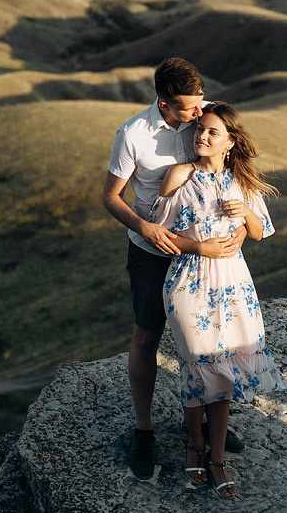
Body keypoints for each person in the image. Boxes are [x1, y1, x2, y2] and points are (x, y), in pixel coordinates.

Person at [102, 58, 246, 479]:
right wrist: (143, 225)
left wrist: (240, 225)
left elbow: (232, 170)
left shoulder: (207, 122)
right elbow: (111, 197)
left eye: (201, 103)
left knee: (208, 342)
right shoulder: (133, 136)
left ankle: (201, 426)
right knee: (147, 338)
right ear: (164, 104)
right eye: (189, 108)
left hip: (205, 260)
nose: (199, 114)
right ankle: (144, 429)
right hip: (153, 253)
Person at [149, 102, 287, 500]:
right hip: (188, 279)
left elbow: (261, 233)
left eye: (212, 132)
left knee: (224, 373)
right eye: (199, 130)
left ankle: (218, 457)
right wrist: (199, 247)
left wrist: (246, 213)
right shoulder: (179, 175)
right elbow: (158, 235)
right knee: (196, 365)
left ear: (229, 142)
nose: (201, 137)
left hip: (233, 284)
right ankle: (194, 444)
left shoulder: (240, 181)